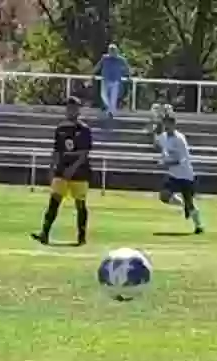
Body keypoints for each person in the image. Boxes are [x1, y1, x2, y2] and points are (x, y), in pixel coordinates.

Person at [31, 96, 92, 246]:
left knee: (80, 205)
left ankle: (81, 236)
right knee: (54, 202)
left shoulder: (84, 130)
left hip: (80, 173)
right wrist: (52, 168)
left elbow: (84, 153)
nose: (71, 111)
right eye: (68, 108)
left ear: (78, 110)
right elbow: (57, 152)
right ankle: (44, 233)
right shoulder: (60, 129)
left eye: (74, 108)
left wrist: (73, 168)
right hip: (61, 171)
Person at [156, 115, 204, 234]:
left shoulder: (180, 139)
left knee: (190, 202)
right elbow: (158, 144)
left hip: (185, 175)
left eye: (168, 124)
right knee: (164, 196)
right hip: (173, 174)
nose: (166, 126)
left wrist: (166, 163)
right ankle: (183, 206)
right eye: (164, 124)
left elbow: (182, 160)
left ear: (173, 125)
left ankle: (199, 226)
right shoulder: (164, 136)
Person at [93, 43, 130, 119]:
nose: (112, 51)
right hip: (105, 80)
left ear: (116, 50)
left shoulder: (121, 59)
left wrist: (129, 75)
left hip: (115, 81)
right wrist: (93, 73)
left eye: (113, 50)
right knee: (104, 96)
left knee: (113, 98)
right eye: (111, 50)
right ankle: (109, 110)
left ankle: (111, 112)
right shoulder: (105, 58)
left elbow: (127, 68)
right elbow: (98, 65)